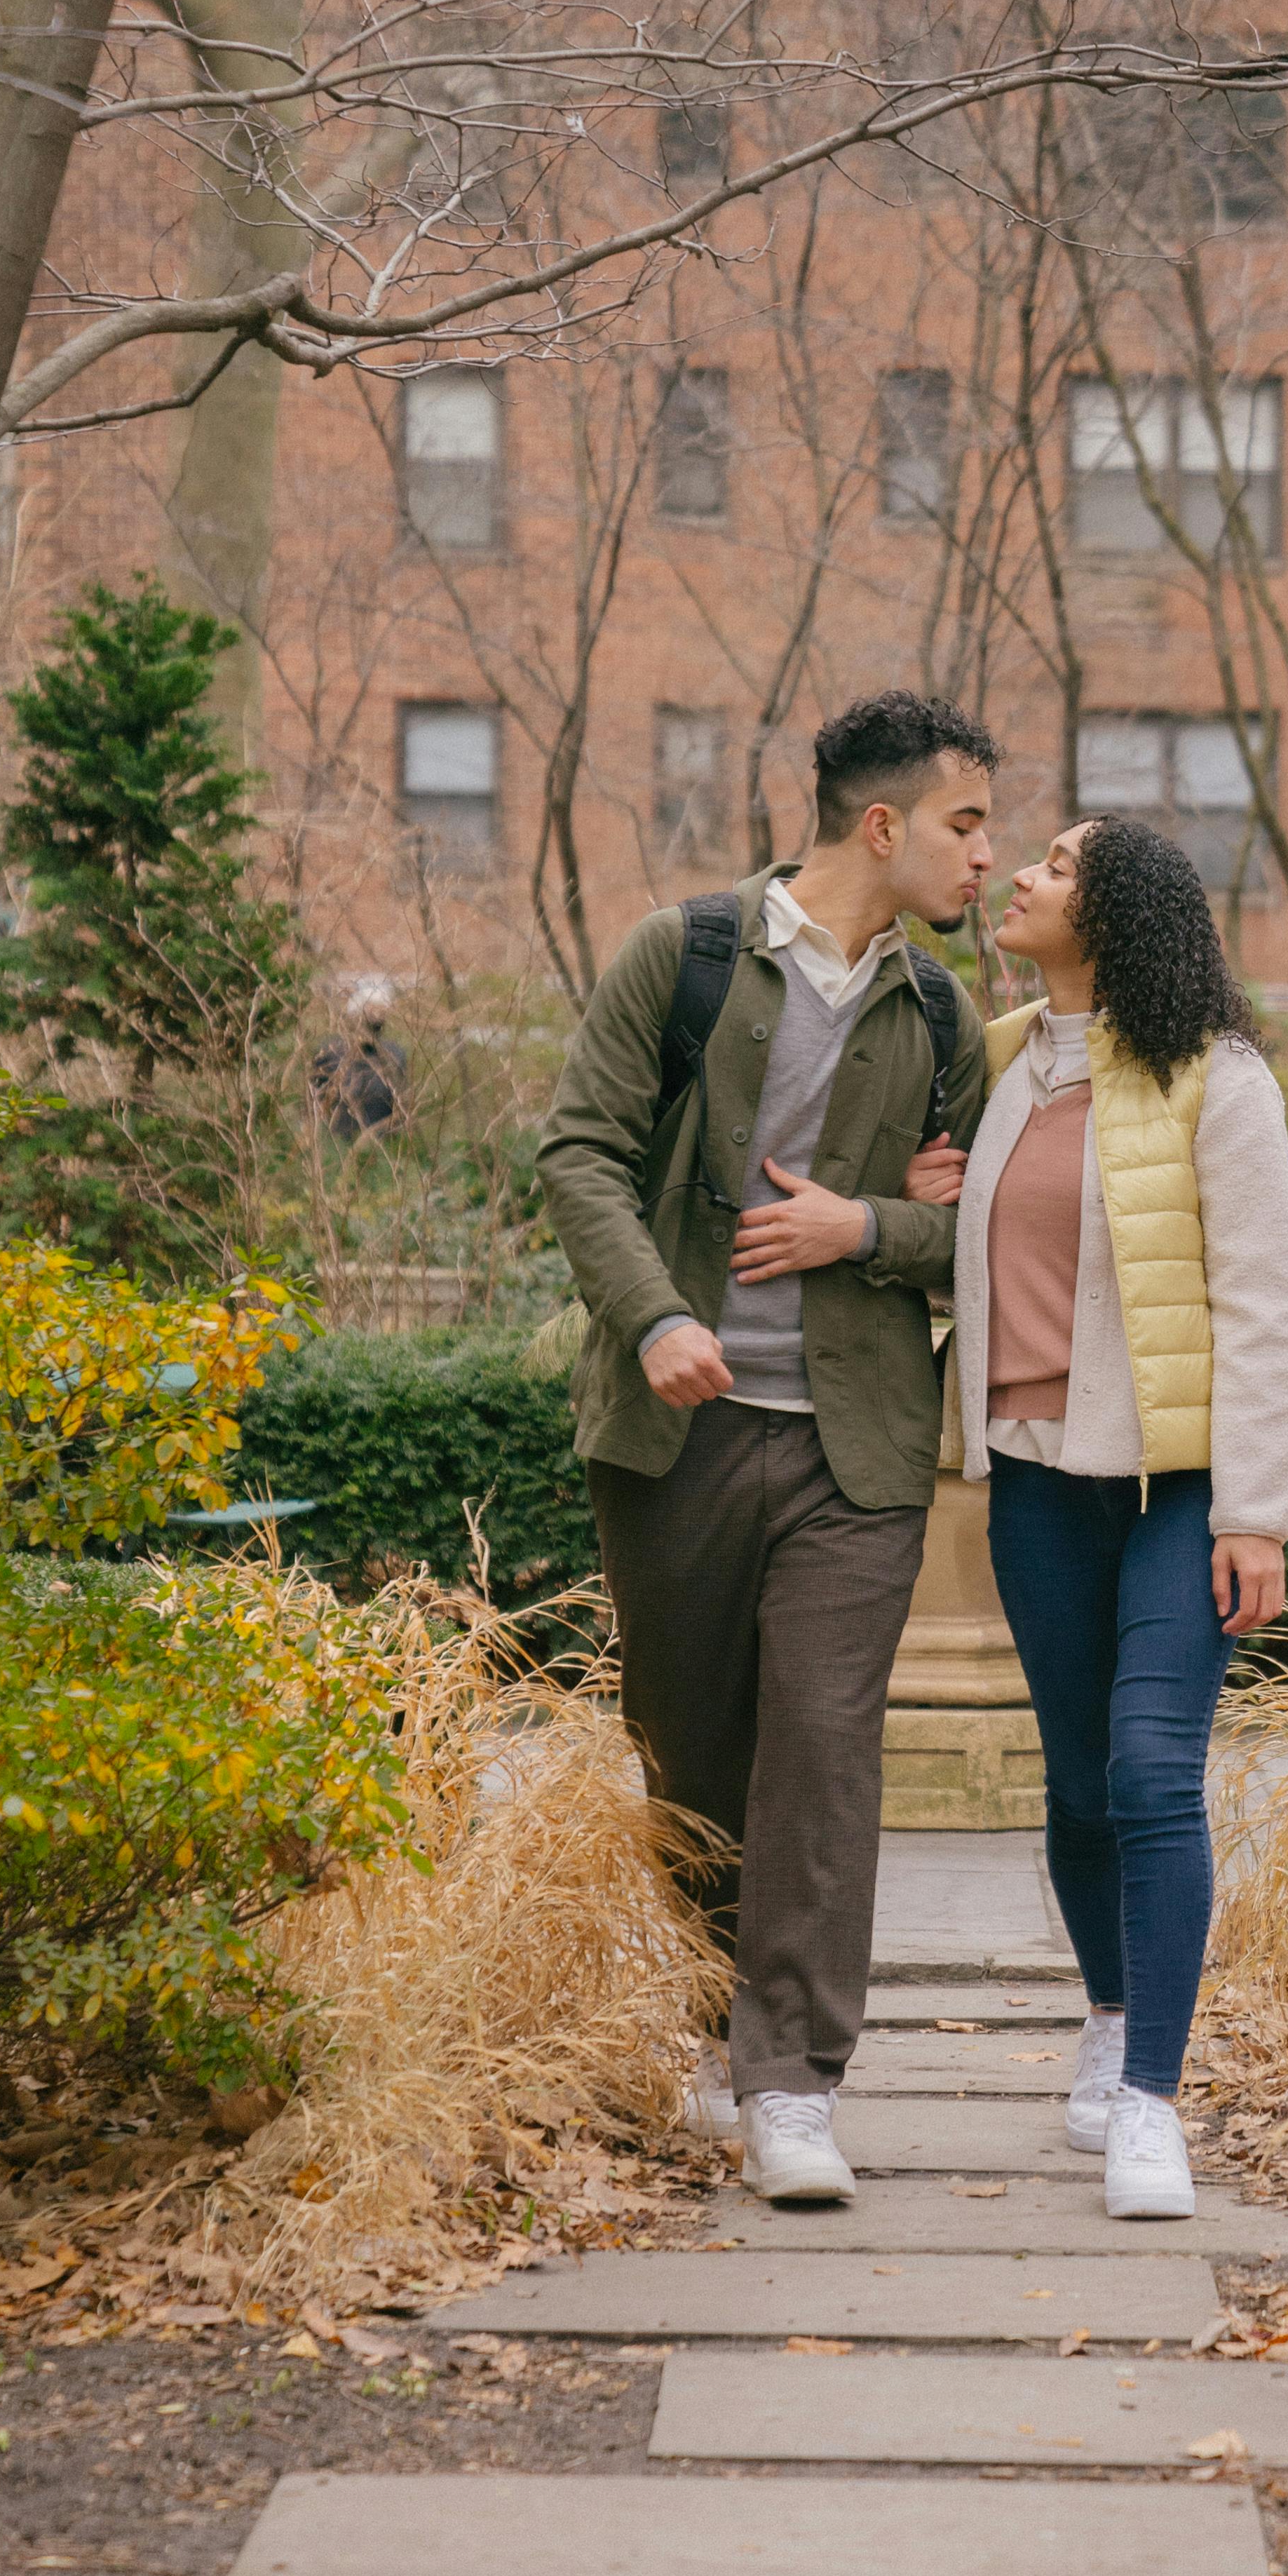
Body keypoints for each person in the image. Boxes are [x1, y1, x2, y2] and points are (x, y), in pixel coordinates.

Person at [536, 691, 998, 2205]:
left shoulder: (938, 1016)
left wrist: (867, 1225)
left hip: (854, 1450)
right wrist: (658, 1314)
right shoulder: (684, 959)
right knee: (691, 1752)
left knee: (822, 1748)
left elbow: (971, 1234)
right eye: (963, 824)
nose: (982, 856)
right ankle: (699, 2020)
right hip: (675, 1435)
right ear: (882, 825)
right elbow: (577, 1150)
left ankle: (792, 2079)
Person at [926, 812, 1288, 2220]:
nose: (1018, 877)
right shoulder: (999, 1061)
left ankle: (1151, 2098)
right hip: (1030, 1472)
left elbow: (1265, 1305)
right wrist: (929, 1212)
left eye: (1053, 866)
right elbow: (967, 1258)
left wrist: (1253, 1513)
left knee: (1150, 1774)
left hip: (1177, 1485)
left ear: (1118, 913)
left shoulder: (1220, 1080)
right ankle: (1101, 2019)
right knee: (1077, 1782)